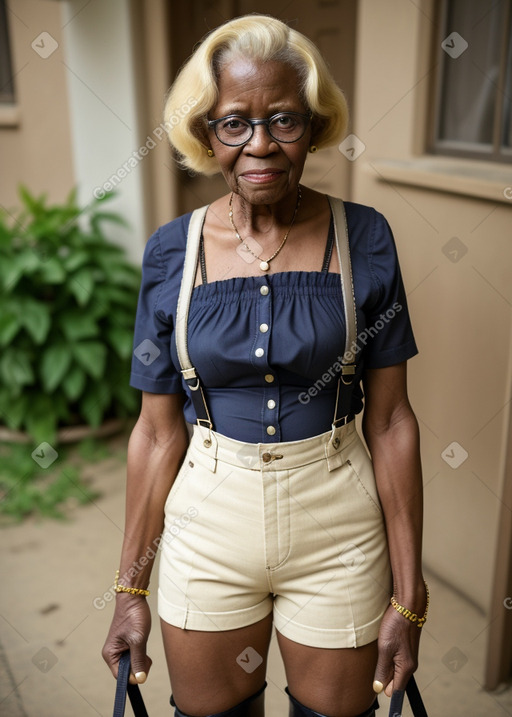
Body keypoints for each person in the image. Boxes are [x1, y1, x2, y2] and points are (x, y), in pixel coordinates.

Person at [102, 14, 428, 717]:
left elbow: (394, 419)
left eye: (283, 119)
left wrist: (411, 591)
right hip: (207, 524)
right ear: (205, 132)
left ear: (313, 125)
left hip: (337, 521)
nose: (260, 145)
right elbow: (157, 433)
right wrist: (130, 590)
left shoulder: (364, 236)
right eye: (233, 124)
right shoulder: (170, 252)